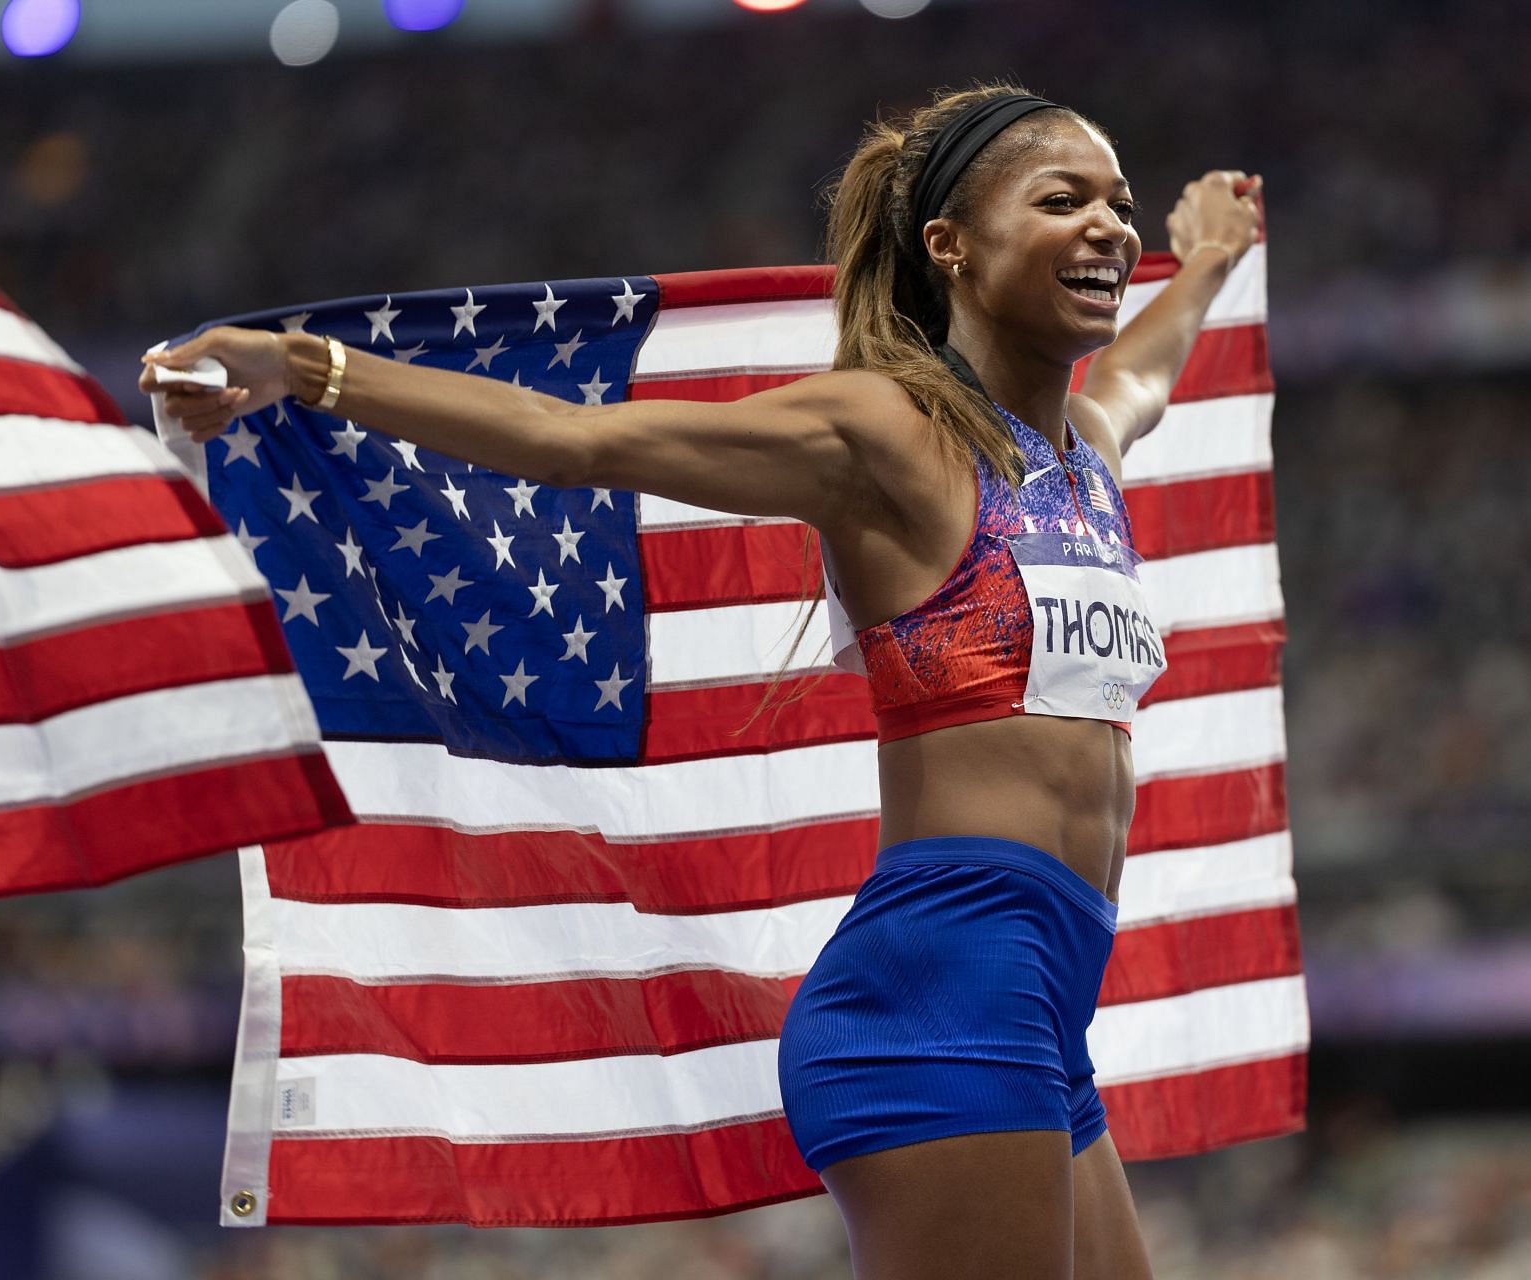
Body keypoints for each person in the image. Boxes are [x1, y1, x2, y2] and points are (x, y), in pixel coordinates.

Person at [141, 83, 1259, 1280]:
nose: (1107, 226)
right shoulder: (882, 432)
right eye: (1063, 199)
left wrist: (1202, 259)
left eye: (1120, 206)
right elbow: (582, 442)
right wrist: (304, 368)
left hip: (1041, 1006)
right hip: (944, 993)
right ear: (952, 247)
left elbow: (1148, 368)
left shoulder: (1084, 451)